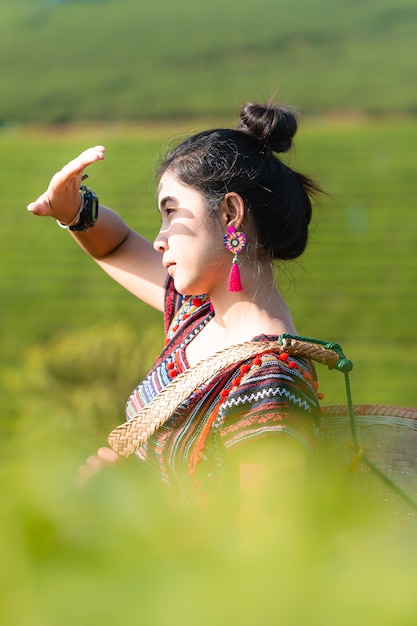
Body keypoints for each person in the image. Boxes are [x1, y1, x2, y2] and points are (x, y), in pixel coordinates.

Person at [27, 101, 324, 520]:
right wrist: (74, 209)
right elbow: (116, 246)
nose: (159, 240)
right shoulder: (195, 316)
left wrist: (131, 503)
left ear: (230, 213)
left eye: (170, 212)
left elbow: (263, 558)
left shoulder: (270, 383)